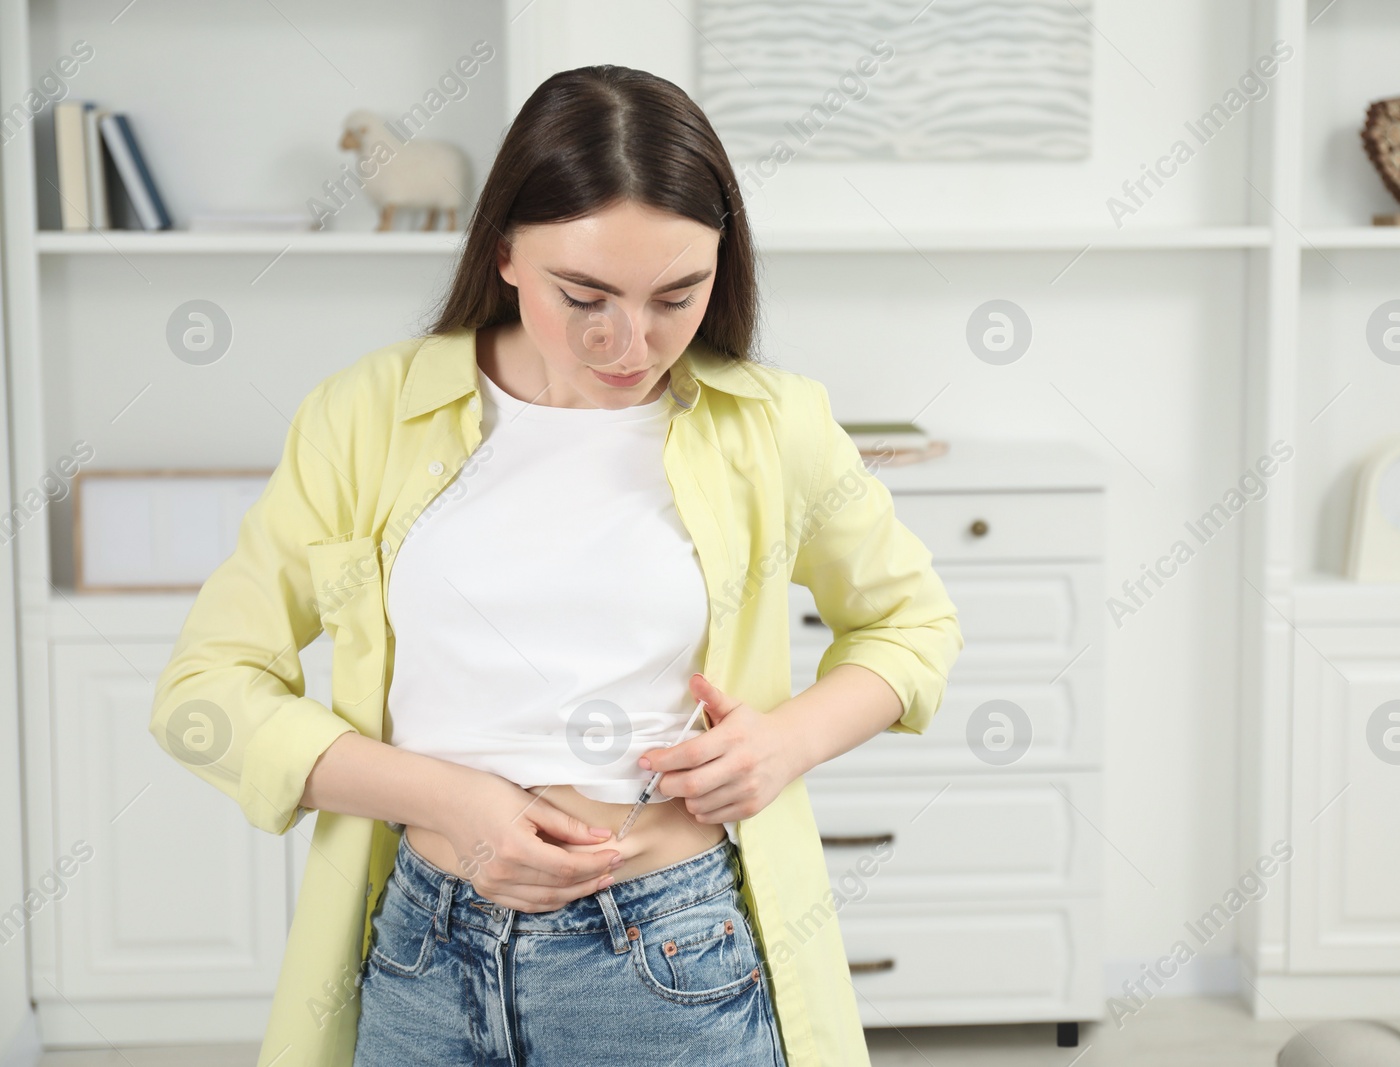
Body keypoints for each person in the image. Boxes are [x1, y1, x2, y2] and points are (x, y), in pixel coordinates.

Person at [150, 64, 962, 1067]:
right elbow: (207, 689)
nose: (630, 341)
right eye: (584, 295)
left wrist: (784, 741)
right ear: (502, 251)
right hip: (420, 953)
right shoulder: (364, 415)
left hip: (668, 955)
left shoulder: (773, 422)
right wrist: (449, 798)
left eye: (678, 295)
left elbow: (913, 623)